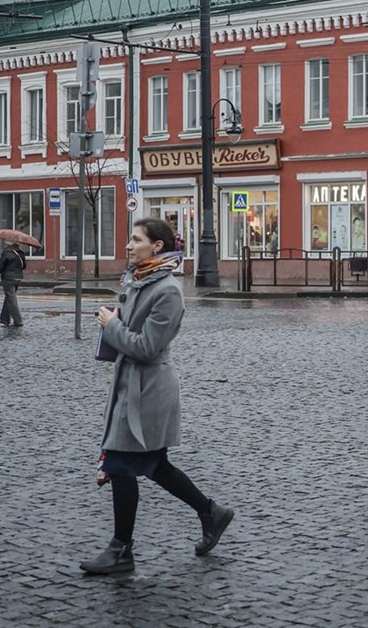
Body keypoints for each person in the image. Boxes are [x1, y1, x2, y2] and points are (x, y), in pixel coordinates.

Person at [80, 218, 234, 575]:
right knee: (153, 465)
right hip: (132, 385)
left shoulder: (167, 291)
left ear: (158, 246)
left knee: (120, 463)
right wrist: (117, 323)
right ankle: (211, 512)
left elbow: (147, 347)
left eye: (136, 240)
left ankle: (121, 550)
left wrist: (111, 325)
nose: (129, 246)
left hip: (149, 390)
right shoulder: (139, 282)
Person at [0, 243, 27, 327]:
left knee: (11, 299)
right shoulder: (20, 253)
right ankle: (4, 319)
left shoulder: (6, 253)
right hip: (18, 278)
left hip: (8, 278)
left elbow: (0, 266)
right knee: (9, 297)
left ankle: (18, 320)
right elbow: (24, 266)